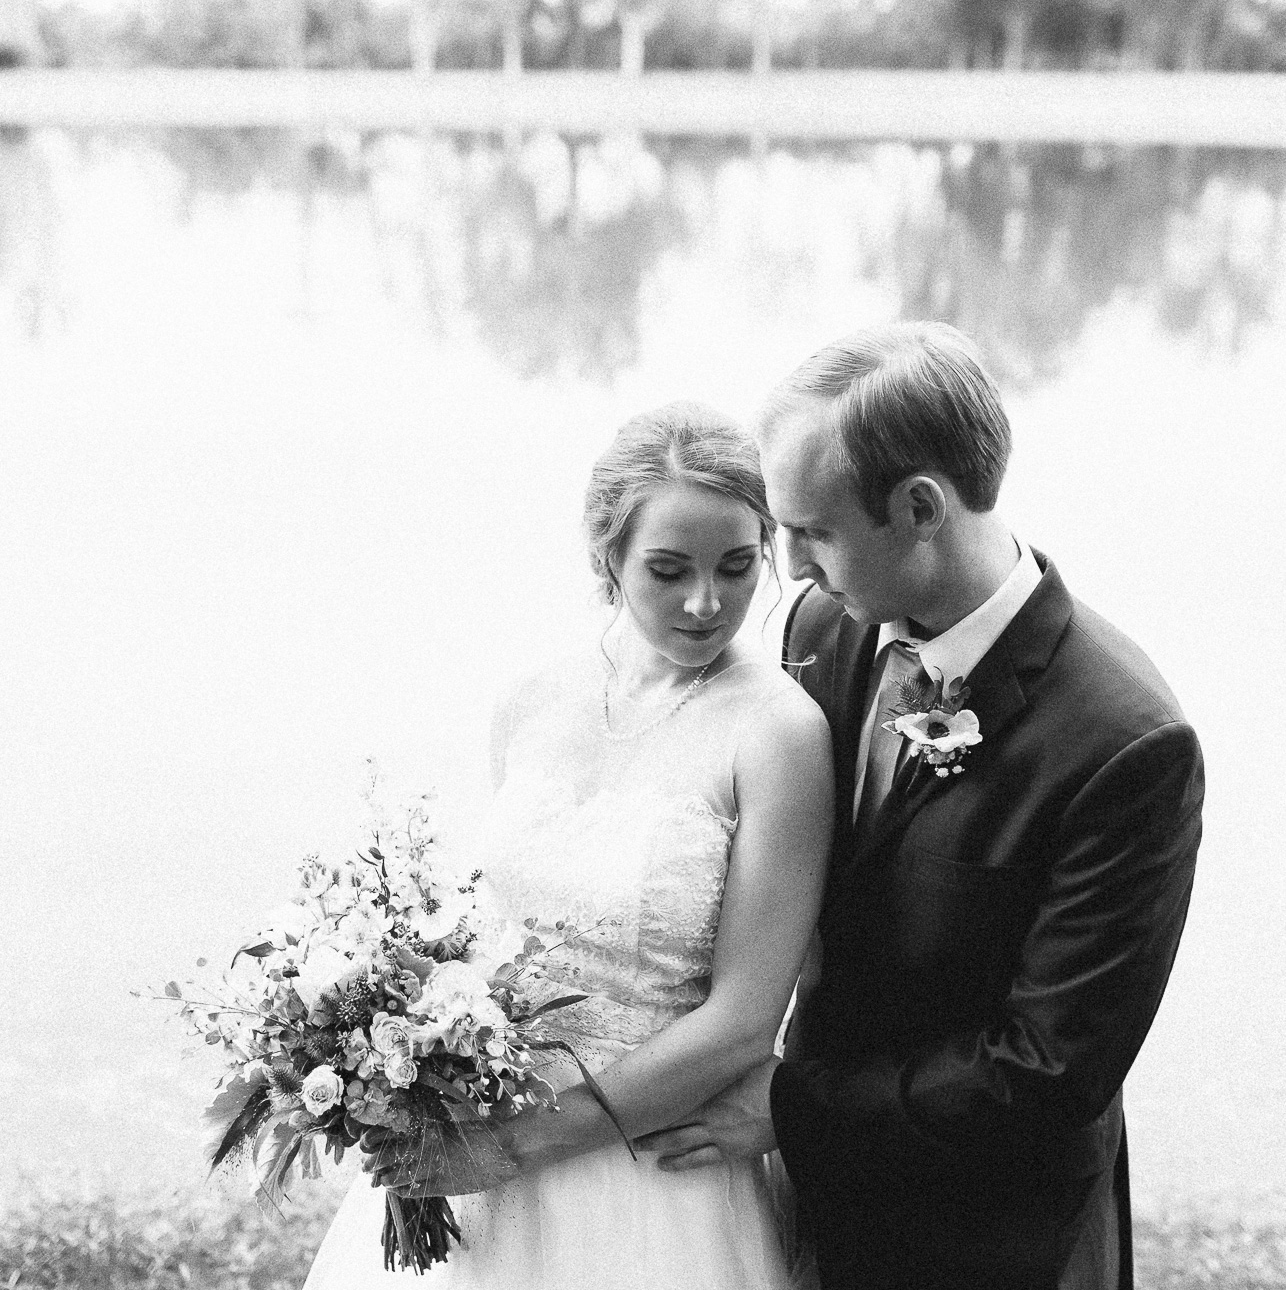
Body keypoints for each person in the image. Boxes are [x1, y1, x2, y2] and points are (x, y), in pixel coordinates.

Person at [644, 323, 1204, 1290]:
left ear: (918, 508)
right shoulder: (824, 628)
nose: (791, 565)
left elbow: (1045, 1073)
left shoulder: (1127, 746)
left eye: (813, 531)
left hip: (990, 1239)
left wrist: (789, 1107)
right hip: (802, 1203)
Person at [301, 401, 834, 1290]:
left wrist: (515, 1147)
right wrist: (404, 1058)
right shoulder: (531, 701)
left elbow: (743, 1019)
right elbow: (482, 937)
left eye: (738, 567)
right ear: (607, 559)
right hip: (475, 1140)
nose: (708, 603)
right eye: (669, 570)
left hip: (647, 1170)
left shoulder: (779, 732)